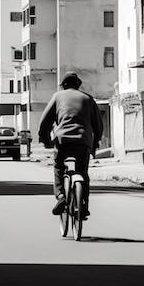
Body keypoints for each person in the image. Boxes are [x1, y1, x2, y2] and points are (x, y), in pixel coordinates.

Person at [38, 71, 103, 218]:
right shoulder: (88, 98)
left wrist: (45, 140)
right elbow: (98, 125)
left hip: (63, 141)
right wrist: (95, 143)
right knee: (83, 173)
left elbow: (44, 122)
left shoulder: (57, 97)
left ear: (64, 85)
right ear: (78, 85)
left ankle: (61, 196)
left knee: (59, 168)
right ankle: (83, 204)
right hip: (83, 142)